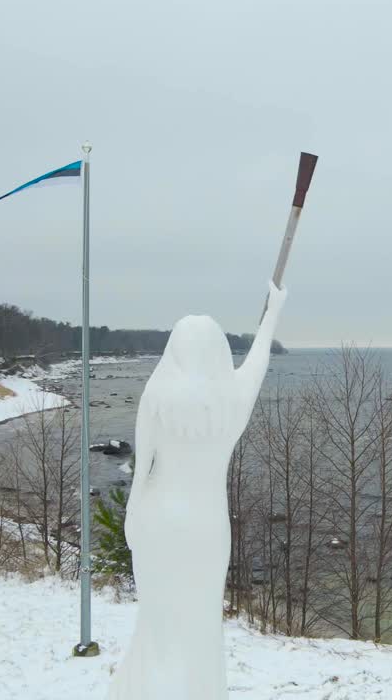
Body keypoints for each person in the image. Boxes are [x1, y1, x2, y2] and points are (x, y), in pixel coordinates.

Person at [108, 281, 287, 700]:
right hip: (206, 529)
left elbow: (141, 472)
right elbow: (258, 361)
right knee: (201, 625)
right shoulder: (231, 399)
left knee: (157, 623)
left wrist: (132, 521)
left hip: (156, 521)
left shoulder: (156, 396)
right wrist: (272, 312)